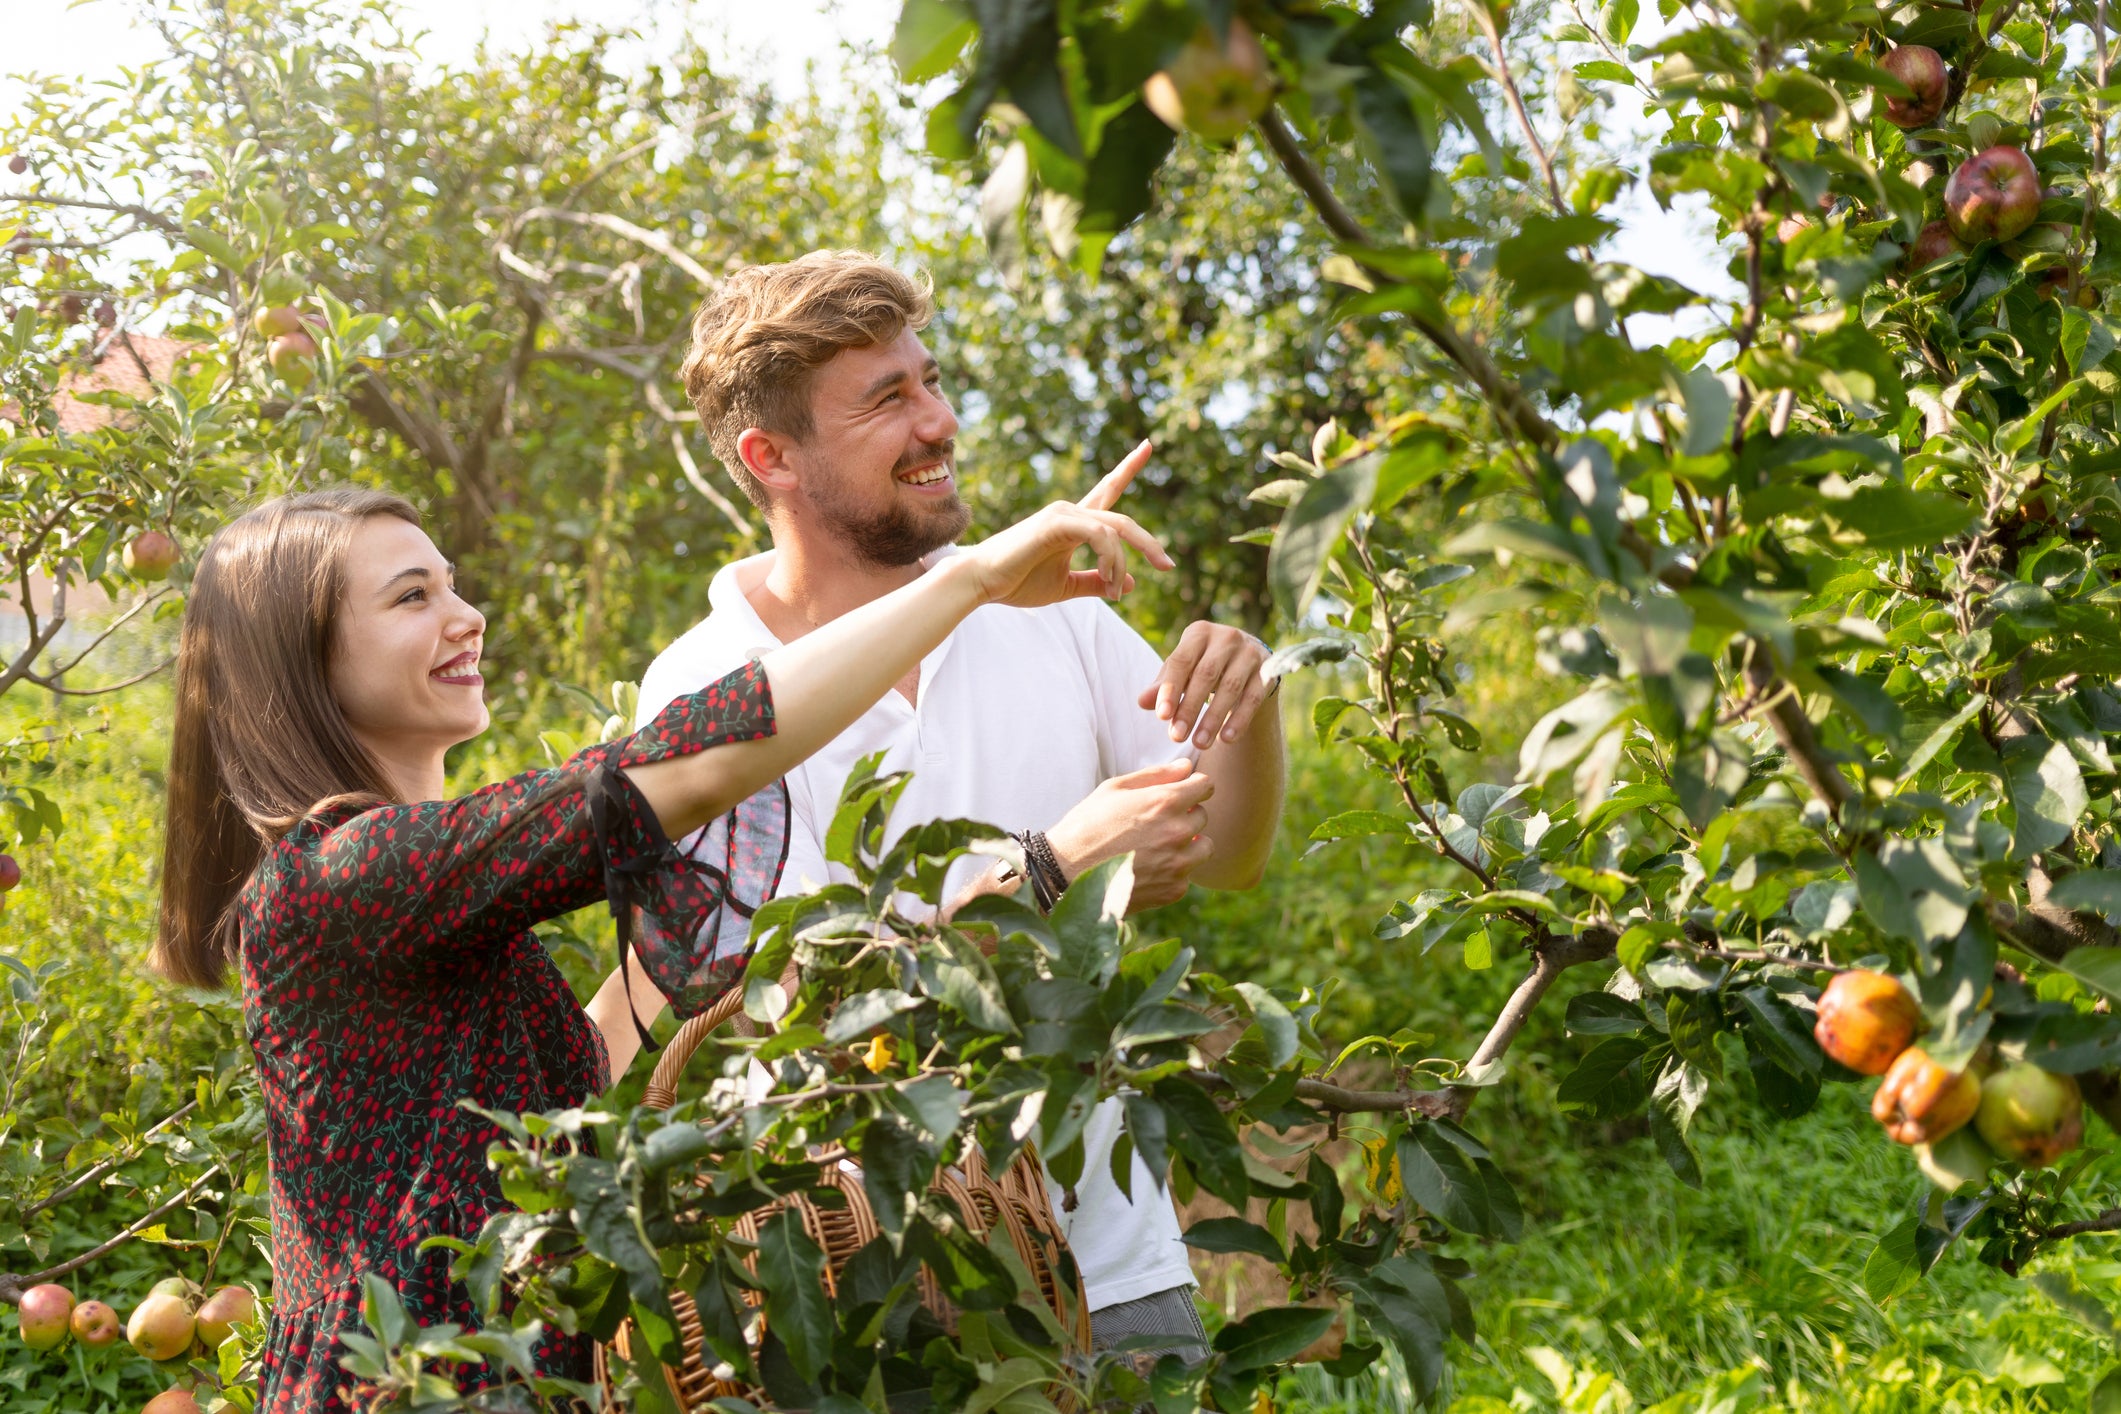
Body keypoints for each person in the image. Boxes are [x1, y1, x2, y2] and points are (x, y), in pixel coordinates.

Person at [151, 481, 1169, 1413]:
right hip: (406, 1389)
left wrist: (996, 887)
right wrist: (971, 582)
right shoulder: (343, 878)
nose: (466, 616)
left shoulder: (410, 897)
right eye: (412, 597)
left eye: (452, 585)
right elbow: (685, 766)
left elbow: (568, 1084)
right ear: (306, 658)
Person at [638, 251, 1288, 1366]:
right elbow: (790, 1009)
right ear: (770, 457)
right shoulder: (701, 689)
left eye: (931, 381)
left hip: (1114, 1253)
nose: (938, 421)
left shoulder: (1050, 606)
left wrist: (1250, 697)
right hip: (878, 1278)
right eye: (886, 399)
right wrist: (1051, 869)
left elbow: (1227, 852)